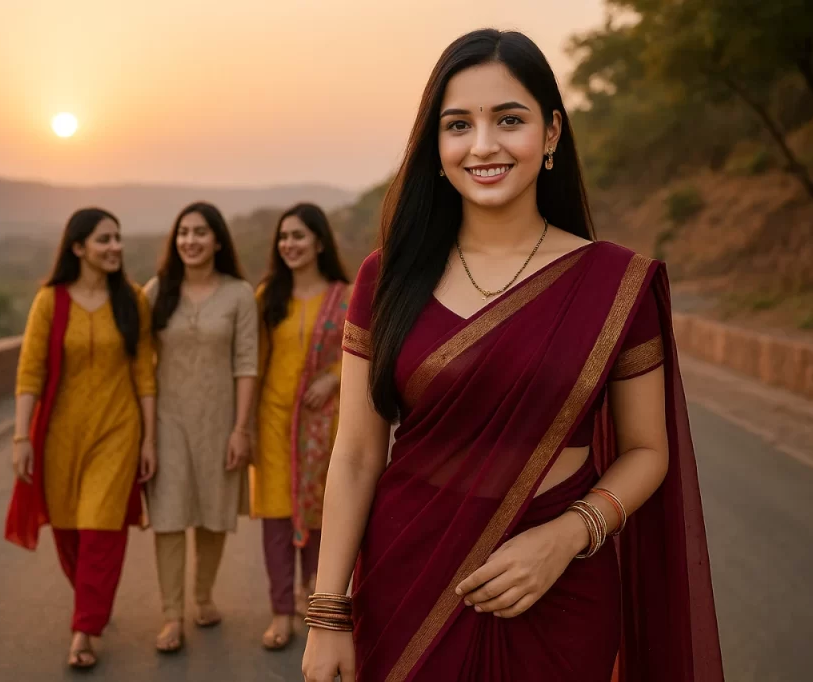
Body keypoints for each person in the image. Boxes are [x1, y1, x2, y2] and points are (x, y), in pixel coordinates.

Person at [301, 29, 724, 682]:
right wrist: (329, 615)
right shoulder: (385, 281)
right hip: (407, 581)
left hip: (559, 590)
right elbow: (357, 453)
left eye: (509, 120)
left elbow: (648, 451)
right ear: (435, 147)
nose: (484, 145)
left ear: (551, 133)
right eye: (458, 125)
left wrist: (567, 537)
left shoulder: (615, 285)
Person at [5, 207, 156, 670]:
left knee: (101, 529)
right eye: (103, 240)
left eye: (118, 238)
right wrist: (20, 437)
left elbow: (144, 373)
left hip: (118, 430)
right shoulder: (51, 301)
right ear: (78, 248)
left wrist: (148, 439)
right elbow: (30, 370)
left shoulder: (130, 298)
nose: (115, 248)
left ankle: (84, 630)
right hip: (59, 435)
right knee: (69, 531)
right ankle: (91, 604)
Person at [143, 202, 258, 653]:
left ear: (217, 241)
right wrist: (146, 437)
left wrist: (241, 429)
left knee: (213, 512)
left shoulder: (238, 294)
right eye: (183, 232)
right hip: (167, 422)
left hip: (219, 420)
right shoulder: (156, 292)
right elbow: (141, 367)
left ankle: (204, 597)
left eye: (200, 232)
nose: (190, 240)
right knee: (169, 518)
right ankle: (172, 616)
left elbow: (247, 363)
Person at [252, 203, 351, 651]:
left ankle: (315, 605)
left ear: (320, 242)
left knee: (317, 515)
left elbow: (368, 355)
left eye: (298, 236)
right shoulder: (267, 298)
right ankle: (280, 612)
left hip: (324, 426)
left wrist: (334, 377)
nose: (289, 244)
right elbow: (250, 364)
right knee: (275, 516)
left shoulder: (346, 297)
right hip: (273, 422)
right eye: (283, 237)